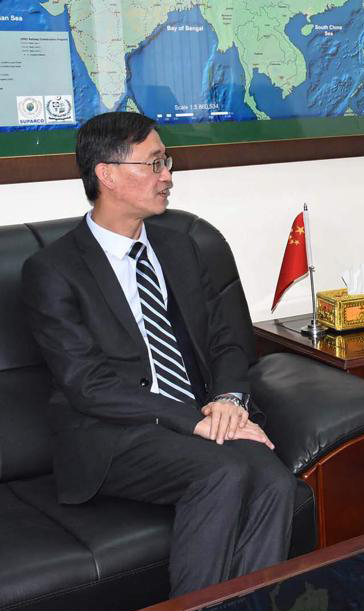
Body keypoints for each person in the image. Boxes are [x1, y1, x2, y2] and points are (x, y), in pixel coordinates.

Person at [21, 112, 296, 597]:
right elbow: (88, 385)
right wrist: (193, 422)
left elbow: (227, 340)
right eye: (154, 164)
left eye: (166, 161)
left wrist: (228, 400)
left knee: (275, 481)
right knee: (222, 471)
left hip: (199, 416)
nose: (167, 176)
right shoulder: (53, 269)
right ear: (107, 174)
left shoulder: (181, 247)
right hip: (112, 433)